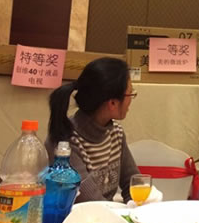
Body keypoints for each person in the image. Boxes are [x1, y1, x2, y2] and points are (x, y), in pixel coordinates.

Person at [46, 57, 139, 203]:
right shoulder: (65, 141)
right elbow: (90, 202)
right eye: (130, 94)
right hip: (80, 216)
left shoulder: (116, 133)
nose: (131, 100)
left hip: (107, 213)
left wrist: (138, 206)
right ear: (112, 103)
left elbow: (133, 185)